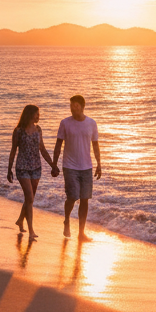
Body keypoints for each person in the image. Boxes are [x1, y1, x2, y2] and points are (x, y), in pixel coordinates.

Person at [51, 94, 101, 241]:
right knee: (72, 197)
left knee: (85, 199)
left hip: (86, 167)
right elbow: (58, 144)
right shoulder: (65, 123)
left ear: (82, 106)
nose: (73, 108)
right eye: (71, 105)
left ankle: (81, 233)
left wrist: (99, 164)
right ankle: (66, 220)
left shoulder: (91, 123)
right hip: (69, 165)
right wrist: (54, 164)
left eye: (76, 106)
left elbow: (95, 145)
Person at [7, 104, 53, 240]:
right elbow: (13, 150)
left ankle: (21, 220)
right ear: (30, 114)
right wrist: (9, 169)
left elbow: (42, 149)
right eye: (37, 114)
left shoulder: (38, 129)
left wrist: (52, 165)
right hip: (22, 167)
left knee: (29, 198)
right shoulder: (18, 131)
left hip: (36, 168)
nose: (39, 116)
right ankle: (32, 231)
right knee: (30, 198)